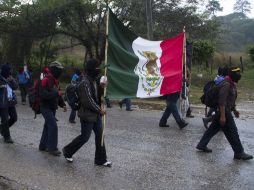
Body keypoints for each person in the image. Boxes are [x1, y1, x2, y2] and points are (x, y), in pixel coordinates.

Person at [62, 59, 112, 167]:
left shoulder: (93, 80)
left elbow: (96, 95)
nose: (99, 70)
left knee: (100, 136)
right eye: (97, 68)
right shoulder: (84, 83)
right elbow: (87, 101)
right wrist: (100, 110)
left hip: (96, 115)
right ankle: (68, 151)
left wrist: (102, 88)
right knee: (85, 137)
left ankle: (101, 159)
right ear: (92, 69)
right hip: (87, 115)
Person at [196, 67, 253, 160]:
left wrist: (234, 110)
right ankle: (239, 152)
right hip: (224, 112)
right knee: (233, 132)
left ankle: (202, 144)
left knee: (212, 130)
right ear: (232, 74)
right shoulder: (226, 84)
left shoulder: (231, 84)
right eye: (237, 73)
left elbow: (230, 99)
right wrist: (223, 116)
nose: (239, 75)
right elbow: (222, 101)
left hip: (223, 111)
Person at [39, 61, 67, 156]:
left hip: (52, 107)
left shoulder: (55, 80)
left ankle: (42, 146)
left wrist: (62, 104)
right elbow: (43, 94)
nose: (60, 72)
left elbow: (58, 95)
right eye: (59, 70)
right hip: (45, 107)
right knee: (53, 126)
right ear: (54, 69)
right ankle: (52, 148)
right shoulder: (46, 79)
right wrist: (56, 94)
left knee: (47, 126)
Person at [0, 64, 18, 143]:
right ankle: (7, 137)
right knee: (5, 119)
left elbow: (15, 87)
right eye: (8, 70)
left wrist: (12, 80)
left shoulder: (10, 77)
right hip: (2, 102)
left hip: (10, 101)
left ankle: (2, 129)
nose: (10, 72)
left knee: (14, 118)